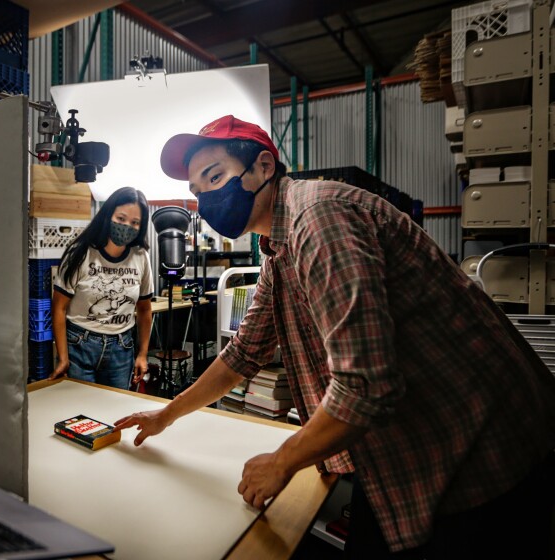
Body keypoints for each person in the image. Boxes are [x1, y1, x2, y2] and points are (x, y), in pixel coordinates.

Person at [114, 115, 555, 558]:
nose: (207, 198)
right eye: (197, 192)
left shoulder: (318, 219)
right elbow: (244, 353)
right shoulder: (279, 249)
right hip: (414, 447)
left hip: (481, 454)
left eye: (215, 177)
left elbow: (365, 386)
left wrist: (282, 461)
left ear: (264, 166)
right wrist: (163, 417)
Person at [49, 186, 153, 390]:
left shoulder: (141, 257)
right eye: (121, 219)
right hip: (80, 344)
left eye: (134, 223)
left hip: (122, 348)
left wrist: (142, 354)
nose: (126, 226)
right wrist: (63, 358)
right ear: (108, 215)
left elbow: (144, 309)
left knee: (115, 412)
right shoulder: (80, 252)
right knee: (81, 411)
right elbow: (59, 308)